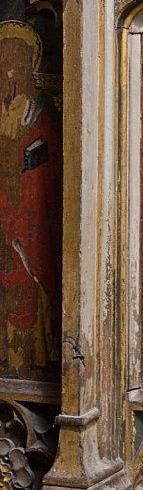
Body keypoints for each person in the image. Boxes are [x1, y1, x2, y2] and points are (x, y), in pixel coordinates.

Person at [0, 22, 61, 377]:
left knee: (27, 272)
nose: (8, 73)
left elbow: (47, 156)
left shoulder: (35, 110)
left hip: (26, 208)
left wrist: (20, 157)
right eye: (3, 63)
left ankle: (33, 354)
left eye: (15, 64)